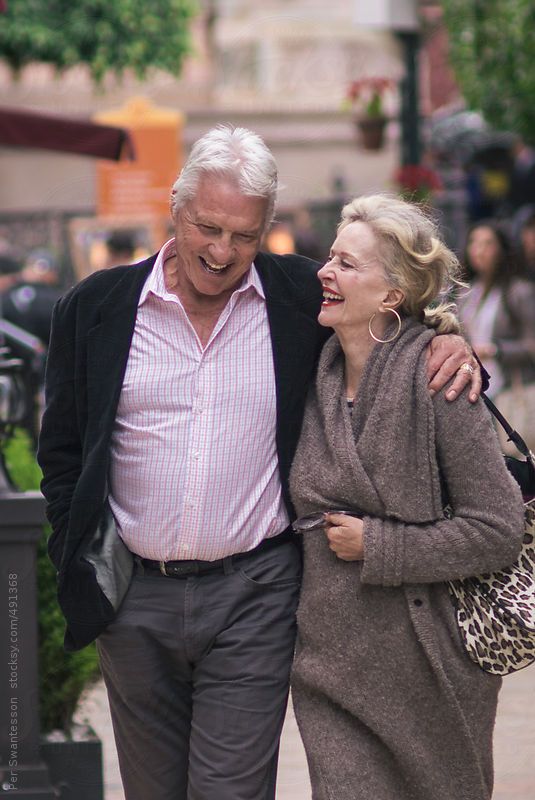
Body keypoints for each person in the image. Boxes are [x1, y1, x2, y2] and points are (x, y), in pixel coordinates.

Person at [37, 126, 480, 800]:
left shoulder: (301, 297)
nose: (221, 251)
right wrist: (85, 559)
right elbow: (62, 451)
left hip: (256, 595)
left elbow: (396, 306)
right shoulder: (93, 307)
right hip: (134, 599)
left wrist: (451, 343)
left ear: (265, 229)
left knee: (230, 791)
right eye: (207, 228)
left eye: (243, 236)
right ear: (175, 211)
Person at [289, 194, 525, 800]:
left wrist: (380, 545)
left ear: (392, 295)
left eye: (347, 264)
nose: (326, 272)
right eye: (331, 258)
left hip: (430, 669)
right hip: (329, 668)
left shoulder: (440, 378)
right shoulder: (308, 370)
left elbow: (497, 528)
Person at [458, 220, 535, 400]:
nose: (479, 250)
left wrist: (496, 351)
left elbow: (531, 344)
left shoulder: (518, 292)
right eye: (474, 243)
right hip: (476, 389)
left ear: (501, 250)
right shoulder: (466, 293)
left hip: (511, 389)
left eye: (487, 243)